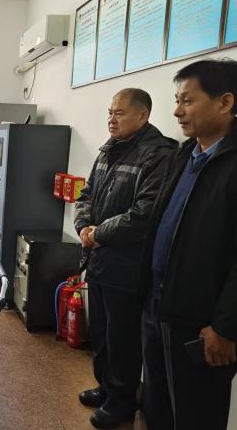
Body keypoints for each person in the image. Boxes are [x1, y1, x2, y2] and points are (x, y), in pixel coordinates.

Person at [140, 58, 237, 430]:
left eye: (187, 100)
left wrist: (226, 327)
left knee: (196, 417)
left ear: (225, 102)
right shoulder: (184, 154)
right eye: (176, 100)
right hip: (160, 308)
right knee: (157, 409)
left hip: (202, 325)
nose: (177, 111)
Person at [74, 88, 177, 429]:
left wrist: (98, 233)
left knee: (122, 338)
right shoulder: (109, 149)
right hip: (99, 260)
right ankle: (105, 387)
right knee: (101, 332)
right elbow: (86, 193)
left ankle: (121, 401)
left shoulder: (158, 155)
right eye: (110, 112)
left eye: (119, 113)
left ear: (143, 115)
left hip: (127, 266)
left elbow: (144, 214)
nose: (111, 119)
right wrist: (83, 226)